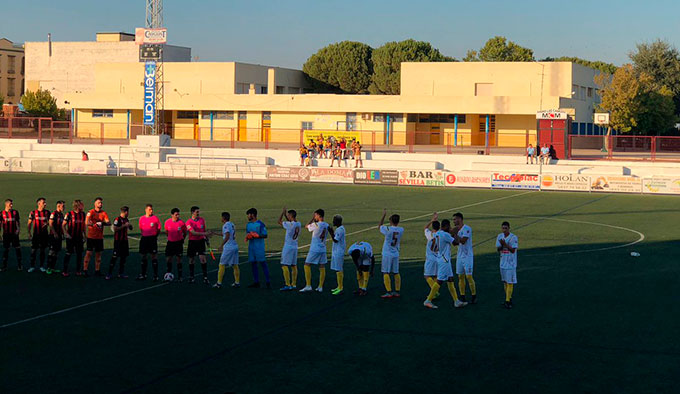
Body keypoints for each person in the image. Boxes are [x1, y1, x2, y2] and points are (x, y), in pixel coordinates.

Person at [423, 219, 467, 309]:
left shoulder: (438, 233)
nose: (450, 227)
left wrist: (452, 232)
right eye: (449, 226)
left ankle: (456, 301)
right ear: (446, 226)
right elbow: (455, 243)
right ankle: (428, 300)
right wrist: (455, 233)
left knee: (450, 279)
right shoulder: (445, 235)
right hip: (444, 261)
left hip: (442, 259)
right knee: (440, 281)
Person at [300, 209, 329, 293]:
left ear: (319, 216)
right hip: (323, 248)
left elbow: (306, 226)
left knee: (306, 265)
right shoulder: (327, 225)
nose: (314, 217)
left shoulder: (315, 224)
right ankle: (320, 286)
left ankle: (308, 285)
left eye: (315, 215)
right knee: (322, 267)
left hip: (314, 249)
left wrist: (312, 219)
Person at [379, 209, 404, 299]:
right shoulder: (401, 229)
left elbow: (380, 226)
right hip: (396, 253)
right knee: (396, 272)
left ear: (390, 221)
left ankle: (388, 291)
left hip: (387, 253)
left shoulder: (388, 229)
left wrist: (383, 216)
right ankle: (397, 291)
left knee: (386, 272)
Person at [453, 212, 476, 304]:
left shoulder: (467, 229)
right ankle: (462, 296)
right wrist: (453, 235)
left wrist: (455, 234)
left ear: (460, 219)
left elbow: (463, 241)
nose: (454, 221)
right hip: (459, 256)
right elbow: (455, 243)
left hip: (468, 256)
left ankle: (474, 295)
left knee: (469, 276)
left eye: (455, 219)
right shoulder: (456, 230)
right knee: (460, 277)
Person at [83, 197, 110, 277]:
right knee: (88, 253)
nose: (100, 204)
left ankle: (97, 270)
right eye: (99, 203)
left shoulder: (104, 213)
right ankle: (85, 270)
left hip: (99, 237)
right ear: (95, 204)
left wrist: (102, 223)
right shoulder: (90, 212)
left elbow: (109, 222)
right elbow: (86, 222)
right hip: (91, 237)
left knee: (98, 255)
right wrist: (94, 224)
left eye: (101, 203)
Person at [186, 206, 212, 284]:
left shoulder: (202, 220)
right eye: (197, 212)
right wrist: (205, 233)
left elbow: (204, 230)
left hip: (201, 242)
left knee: (203, 259)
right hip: (192, 242)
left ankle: (205, 277)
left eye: (198, 212)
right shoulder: (188, 222)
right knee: (191, 259)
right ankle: (191, 276)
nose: (198, 213)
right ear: (192, 212)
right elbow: (193, 232)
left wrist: (207, 239)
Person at [245, 207, 270, 288]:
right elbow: (248, 234)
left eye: (248, 215)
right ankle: (256, 282)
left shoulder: (260, 224)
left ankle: (268, 282)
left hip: (259, 248)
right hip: (251, 248)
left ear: (253, 215)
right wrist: (248, 237)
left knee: (263, 264)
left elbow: (265, 235)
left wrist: (258, 235)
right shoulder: (248, 225)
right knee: (253, 264)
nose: (248, 217)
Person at [496, 221, 518, 309]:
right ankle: (508, 298)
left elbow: (513, 250)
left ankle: (508, 301)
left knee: (510, 282)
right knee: (505, 282)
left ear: (509, 228)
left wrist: (505, 244)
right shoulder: (499, 236)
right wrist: (502, 246)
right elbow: (498, 249)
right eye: (503, 228)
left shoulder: (513, 237)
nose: (504, 230)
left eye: (506, 228)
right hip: (502, 262)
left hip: (511, 263)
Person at [214, 212, 239, 288]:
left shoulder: (225, 225)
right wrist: (215, 233)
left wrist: (221, 245)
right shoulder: (232, 224)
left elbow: (227, 235)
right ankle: (237, 282)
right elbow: (225, 234)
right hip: (235, 246)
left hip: (229, 247)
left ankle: (219, 283)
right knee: (235, 265)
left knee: (221, 264)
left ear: (223, 218)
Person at [137, 204, 161, 281]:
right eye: (150, 209)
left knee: (154, 256)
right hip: (144, 239)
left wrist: (154, 236)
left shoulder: (155, 218)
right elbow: (141, 228)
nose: (151, 211)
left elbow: (159, 229)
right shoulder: (141, 219)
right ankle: (143, 274)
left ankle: (155, 275)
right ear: (146, 210)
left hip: (152, 239)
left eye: (152, 209)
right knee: (143, 256)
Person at [278, 207, 300, 291]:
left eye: (288, 215)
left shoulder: (289, 225)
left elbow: (279, 221)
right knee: (294, 265)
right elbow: (291, 222)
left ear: (290, 216)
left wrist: (282, 213)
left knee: (284, 265)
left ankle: (287, 284)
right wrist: (286, 215)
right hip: (295, 246)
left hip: (288, 247)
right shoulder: (298, 223)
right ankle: (294, 284)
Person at [107, 206, 132, 280]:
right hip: (118, 241)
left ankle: (121, 273)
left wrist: (130, 226)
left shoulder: (126, 219)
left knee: (123, 257)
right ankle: (109, 273)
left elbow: (129, 228)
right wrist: (124, 225)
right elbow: (115, 229)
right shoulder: (117, 219)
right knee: (114, 257)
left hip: (125, 241)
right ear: (126, 212)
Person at [62, 200, 86, 277]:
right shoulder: (69, 214)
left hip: (79, 237)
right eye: (81, 205)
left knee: (79, 254)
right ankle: (65, 270)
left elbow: (83, 226)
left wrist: (85, 235)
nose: (83, 206)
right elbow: (63, 225)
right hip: (71, 238)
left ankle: (78, 271)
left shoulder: (83, 214)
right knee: (68, 253)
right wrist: (66, 233)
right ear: (78, 206)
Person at [27, 197, 50, 273]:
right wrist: (29, 233)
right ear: (39, 203)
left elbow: (51, 222)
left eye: (45, 202)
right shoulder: (33, 213)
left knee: (42, 250)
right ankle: (32, 266)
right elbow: (29, 223)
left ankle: (41, 266)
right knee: (34, 250)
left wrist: (47, 223)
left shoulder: (47, 212)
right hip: (36, 235)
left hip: (44, 235)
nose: (45, 204)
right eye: (43, 203)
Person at [164, 208, 187, 282]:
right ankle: (168, 273)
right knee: (168, 258)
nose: (178, 216)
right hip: (170, 243)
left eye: (178, 214)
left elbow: (185, 232)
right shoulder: (167, 222)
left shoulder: (181, 223)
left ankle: (180, 276)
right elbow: (166, 232)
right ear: (172, 215)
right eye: (176, 214)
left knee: (179, 259)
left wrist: (182, 239)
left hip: (178, 243)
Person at [0, 199, 22, 272]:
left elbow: (18, 222)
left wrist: (18, 229)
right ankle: (4, 266)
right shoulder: (1, 213)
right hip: (6, 235)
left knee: (17, 249)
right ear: (6, 204)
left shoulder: (15, 212)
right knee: (6, 250)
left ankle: (19, 266)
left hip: (14, 234)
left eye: (12, 204)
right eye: (10, 204)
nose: (11, 205)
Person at [46, 200, 65, 275]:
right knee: (52, 251)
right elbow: (50, 224)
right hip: (53, 236)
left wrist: (62, 234)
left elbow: (62, 226)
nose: (64, 207)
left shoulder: (61, 215)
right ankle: (48, 268)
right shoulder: (53, 214)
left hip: (59, 235)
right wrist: (54, 233)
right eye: (63, 206)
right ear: (58, 206)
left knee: (56, 252)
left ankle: (53, 268)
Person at [423, 213, 440, 297]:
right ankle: (435, 293)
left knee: (427, 276)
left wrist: (432, 220)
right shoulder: (441, 235)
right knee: (436, 276)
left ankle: (434, 292)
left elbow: (425, 228)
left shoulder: (430, 234)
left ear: (433, 227)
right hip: (438, 258)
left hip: (430, 258)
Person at [330, 214, 346, 295]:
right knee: (337, 269)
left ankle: (340, 287)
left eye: (334, 220)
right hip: (336, 251)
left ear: (338, 221)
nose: (333, 222)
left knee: (339, 269)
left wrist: (331, 232)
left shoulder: (340, 230)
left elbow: (335, 240)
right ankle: (339, 286)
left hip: (339, 252)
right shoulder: (339, 229)